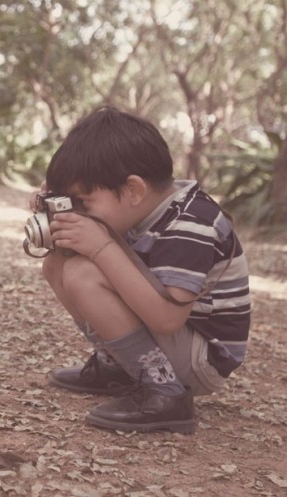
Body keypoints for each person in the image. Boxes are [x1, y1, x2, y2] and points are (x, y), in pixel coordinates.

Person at [30, 106, 250, 434]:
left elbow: (167, 318)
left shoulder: (192, 223)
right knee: (58, 264)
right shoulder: (140, 210)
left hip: (203, 359)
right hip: (176, 340)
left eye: (83, 203)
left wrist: (101, 245)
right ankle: (119, 367)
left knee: (82, 274)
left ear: (133, 190)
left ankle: (167, 393)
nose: (80, 213)